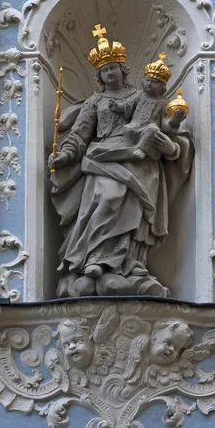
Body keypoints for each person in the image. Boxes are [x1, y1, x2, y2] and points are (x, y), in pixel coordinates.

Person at [49, 25, 194, 297]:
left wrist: (170, 146)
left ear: (123, 69)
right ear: (99, 76)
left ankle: (130, 263)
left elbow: (165, 128)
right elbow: (80, 133)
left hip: (141, 162)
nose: (109, 73)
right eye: (104, 71)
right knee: (108, 198)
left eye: (113, 68)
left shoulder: (142, 96)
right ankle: (95, 258)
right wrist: (65, 154)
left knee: (135, 212)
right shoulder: (95, 101)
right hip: (104, 157)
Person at [109, 52, 185, 161]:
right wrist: (117, 106)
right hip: (133, 128)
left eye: (154, 82)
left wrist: (173, 122)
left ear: (162, 87)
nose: (149, 84)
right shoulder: (139, 95)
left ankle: (142, 149)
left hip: (148, 132)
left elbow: (164, 123)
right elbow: (128, 105)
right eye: (147, 80)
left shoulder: (164, 102)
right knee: (127, 128)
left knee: (153, 128)